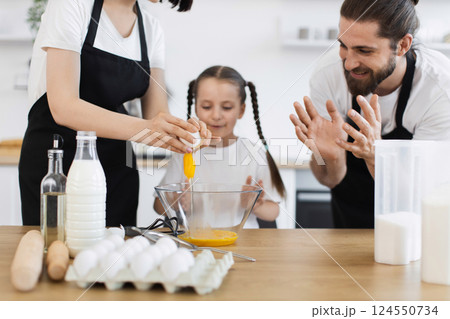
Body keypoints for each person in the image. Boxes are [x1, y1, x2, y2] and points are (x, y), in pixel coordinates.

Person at [19, 0, 213, 227]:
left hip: (116, 170)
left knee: (117, 254)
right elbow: (64, 107)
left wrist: (183, 133)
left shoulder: (150, 28)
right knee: (54, 254)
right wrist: (149, 128)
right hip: (57, 165)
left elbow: (156, 114)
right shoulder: (72, 5)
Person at [289, 0, 450, 228]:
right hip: (348, 217)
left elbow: (419, 197)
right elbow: (330, 180)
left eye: (364, 51)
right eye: (343, 45)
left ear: (403, 45)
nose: (349, 63)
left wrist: (376, 156)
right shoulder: (328, 74)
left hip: (412, 226)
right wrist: (330, 156)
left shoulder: (439, 89)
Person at [154, 66, 286, 228]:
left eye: (227, 107)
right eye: (207, 107)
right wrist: (175, 201)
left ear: (241, 110)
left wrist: (255, 205)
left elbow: (274, 211)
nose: (216, 116)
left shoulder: (254, 154)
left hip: (243, 242)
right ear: (196, 108)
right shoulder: (184, 151)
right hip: (196, 242)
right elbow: (158, 205)